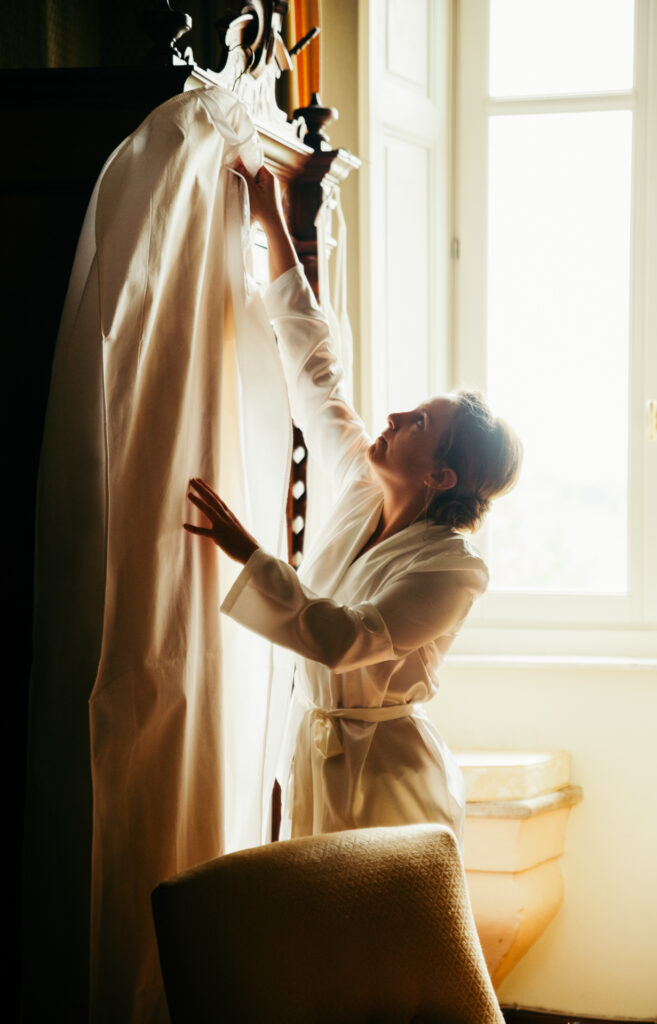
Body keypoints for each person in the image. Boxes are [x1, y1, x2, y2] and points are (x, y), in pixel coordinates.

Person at [185, 163, 522, 845]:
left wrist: (247, 553)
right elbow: (315, 370)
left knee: (380, 949)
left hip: (391, 785)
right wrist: (271, 223)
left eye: (419, 424)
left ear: (441, 477)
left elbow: (346, 640)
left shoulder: (454, 571)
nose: (394, 415)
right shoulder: (359, 487)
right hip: (312, 759)